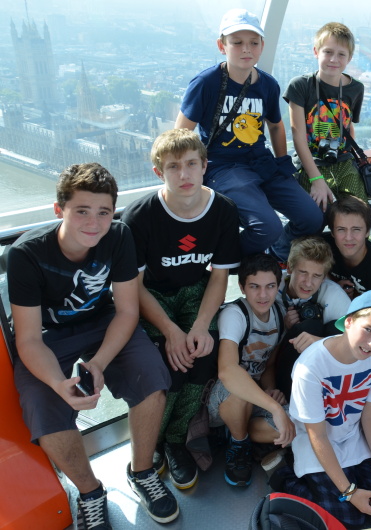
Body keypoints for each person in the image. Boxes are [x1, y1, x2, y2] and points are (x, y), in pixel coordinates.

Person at [8, 163, 178, 528]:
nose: (93, 223)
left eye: (103, 212)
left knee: (152, 378)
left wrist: (98, 363)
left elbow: (127, 310)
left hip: (103, 320)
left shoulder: (118, 236)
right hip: (50, 334)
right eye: (82, 211)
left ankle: (142, 471)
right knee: (42, 410)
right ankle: (89, 493)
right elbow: (29, 338)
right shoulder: (27, 255)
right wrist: (58, 384)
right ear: (59, 210)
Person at [121, 128, 240, 490]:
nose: (184, 174)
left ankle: (176, 439)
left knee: (202, 355)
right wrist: (171, 331)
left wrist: (200, 326)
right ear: (159, 172)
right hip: (152, 294)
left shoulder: (222, 210)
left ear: (205, 166)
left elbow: (219, 277)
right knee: (167, 362)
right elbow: (134, 286)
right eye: (173, 167)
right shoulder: (140, 215)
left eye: (191, 164)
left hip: (194, 291)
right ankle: (152, 440)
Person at [176, 8, 322, 259]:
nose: (246, 49)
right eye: (237, 42)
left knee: (312, 218)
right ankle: (225, 260)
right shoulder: (206, 83)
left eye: (253, 43)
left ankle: (277, 253)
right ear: (222, 46)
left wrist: (281, 161)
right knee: (268, 227)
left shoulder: (267, 84)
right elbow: (180, 135)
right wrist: (188, 175)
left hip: (261, 162)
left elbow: (275, 125)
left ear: (262, 46)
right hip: (223, 167)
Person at [280, 290, 371, 527]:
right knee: (350, 519)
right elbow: (317, 434)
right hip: (316, 444)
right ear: (348, 322)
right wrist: (349, 492)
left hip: (352, 438)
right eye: (368, 329)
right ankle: (286, 478)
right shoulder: (310, 367)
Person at [209, 253, 295, 488]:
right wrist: (274, 408)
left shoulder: (279, 314)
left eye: (270, 286)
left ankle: (238, 432)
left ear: (278, 285)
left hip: (255, 396)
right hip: (223, 397)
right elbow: (227, 371)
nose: (263, 295)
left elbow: (268, 364)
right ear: (242, 287)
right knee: (239, 389)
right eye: (255, 287)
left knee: (295, 424)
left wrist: (270, 390)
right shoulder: (235, 314)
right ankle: (239, 445)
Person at [283, 22, 367, 207]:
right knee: (315, 214)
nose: (334, 59)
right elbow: (298, 137)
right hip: (312, 162)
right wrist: (316, 179)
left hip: (343, 161)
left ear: (349, 58)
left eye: (341, 54)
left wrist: (353, 161)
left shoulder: (355, 88)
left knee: (359, 211)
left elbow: (348, 127)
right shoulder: (301, 86)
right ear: (316, 51)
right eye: (328, 52)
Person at [273, 236, 351, 397]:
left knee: (333, 328)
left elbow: (355, 342)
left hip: (323, 370)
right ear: (289, 268)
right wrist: (284, 327)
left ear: (325, 277)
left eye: (316, 276)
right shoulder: (271, 287)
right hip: (280, 365)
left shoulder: (334, 294)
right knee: (309, 327)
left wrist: (320, 342)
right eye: (303, 272)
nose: (308, 283)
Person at [322, 195, 371, 300]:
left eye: (356, 229)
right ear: (332, 232)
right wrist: (333, 287)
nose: (348, 238)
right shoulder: (322, 248)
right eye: (341, 229)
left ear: (367, 231)